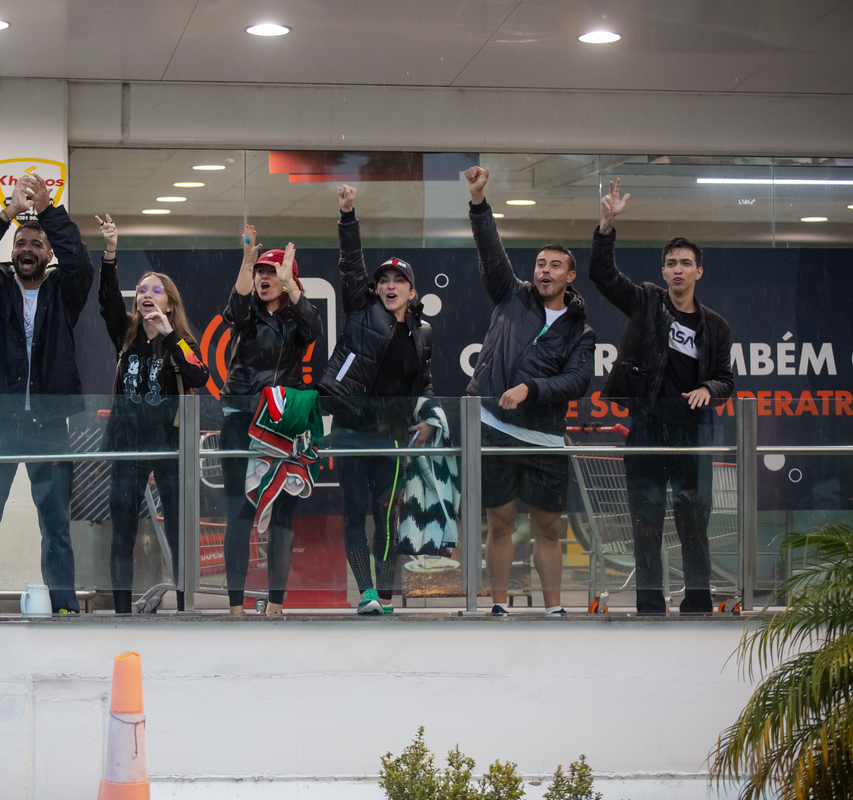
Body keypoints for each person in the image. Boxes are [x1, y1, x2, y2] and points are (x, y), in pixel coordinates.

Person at [590, 178, 734, 615]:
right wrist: (606, 225)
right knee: (646, 521)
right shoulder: (646, 303)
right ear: (664, 270)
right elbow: (603, 276)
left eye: (686, 263)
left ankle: (698, 603)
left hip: (693, 432)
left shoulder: (717, 326)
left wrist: (708, 388)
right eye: (671, 263)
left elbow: (726, 379)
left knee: (694, 522)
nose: (677, 269)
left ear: (699, 271)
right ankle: (650, 605)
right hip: (648, 428)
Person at [0, 173, 94, 615]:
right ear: (12, 252)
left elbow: (81, 262)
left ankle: (65, 608)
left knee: (56, 527)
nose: (27, 249)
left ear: (48, 253)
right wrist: (8, 212)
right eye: (20, 244)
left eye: (36, 243)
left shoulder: (64, 291)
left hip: (49, 428)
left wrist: (50, 212)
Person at [463, 166, 596, 617]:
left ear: (570, 276)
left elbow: (577, 382)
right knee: (499, 524)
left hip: (544, 437)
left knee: (549, 528)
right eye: (540, 263)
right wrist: (479, 201)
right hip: (496, 430)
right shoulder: (511, 295)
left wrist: (530, 388)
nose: (545, 271)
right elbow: (490, 250)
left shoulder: (581, 331)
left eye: (555, 265)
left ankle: (554, 610)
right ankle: (499, 606)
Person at [318, 185, 438, 616]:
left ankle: (384, 598)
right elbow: (351, 265)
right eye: (384, 280)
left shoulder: (422, 334)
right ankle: (366, 592)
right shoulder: (360, 310)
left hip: (392, 437)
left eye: (398, 281)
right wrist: (348, 216)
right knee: (354, 514)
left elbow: (424, 384)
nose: (390, 286)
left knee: (387, 517)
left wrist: (430, 421)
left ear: (411, 291)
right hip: (352, 431)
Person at [96, 214, 210, 614]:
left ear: (169, 303)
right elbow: (107, 301)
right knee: (123, 532)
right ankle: (122, 612)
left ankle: (183, 607)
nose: (147, 294)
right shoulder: (126, 335)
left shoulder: (181, 340)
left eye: (156, 290)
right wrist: (111, 252)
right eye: (142, 290)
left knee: (178, 531)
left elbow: (200, 375)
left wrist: (170, 335)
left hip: (169, 447)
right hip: (127, 445)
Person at [220, 225, 322, 617]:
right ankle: (235, 606)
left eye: (271, 272)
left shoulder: (298, 319)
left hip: (283, 424)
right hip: (241, 419)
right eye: (259, 272)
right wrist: (247, 261)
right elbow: (233, 310)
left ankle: (276, 604)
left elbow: (314, 329)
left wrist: (292, 285)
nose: (264, 278)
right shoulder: (246, 314)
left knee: (282, 515)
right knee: (240, 512)